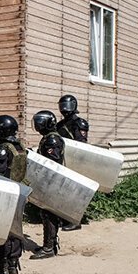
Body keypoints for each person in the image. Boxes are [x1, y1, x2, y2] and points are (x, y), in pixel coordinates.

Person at [0, 115, 26, 274]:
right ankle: (12, 265)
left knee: (2, 230)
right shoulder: (20, 147)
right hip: (20, 191)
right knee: (16, 229)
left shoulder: (3, 149)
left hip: (6, 192)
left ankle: (0, 268)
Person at [31, 110, 65, 260]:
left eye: (40, 122)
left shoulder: (52, 140)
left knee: (48, 213)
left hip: (52, 182)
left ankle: (49, 247)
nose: (37, 125)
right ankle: (49, 244)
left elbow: (52, 163)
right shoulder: (49, 138)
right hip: (49, 181)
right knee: (46, 213)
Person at [57, 94, 89, 231]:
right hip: (63, 160)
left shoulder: (79, 123)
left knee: (75, 192)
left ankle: (76, 220)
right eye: (62, 106)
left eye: (67, 106)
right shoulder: (60, 125)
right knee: (63, 191)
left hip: (76, 160)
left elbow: (81, 144)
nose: (65, 109)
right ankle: (65, 218)